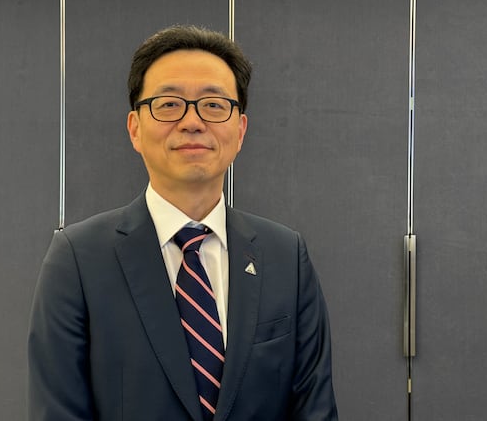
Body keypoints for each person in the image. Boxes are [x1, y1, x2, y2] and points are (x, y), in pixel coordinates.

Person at [28, 25, 338, 420]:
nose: (192, 122)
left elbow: (314, 408)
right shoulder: (77, 259)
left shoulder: (286, 256)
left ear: (240, 130)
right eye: (169, 104)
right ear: (135, 129)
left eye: (214, 105)